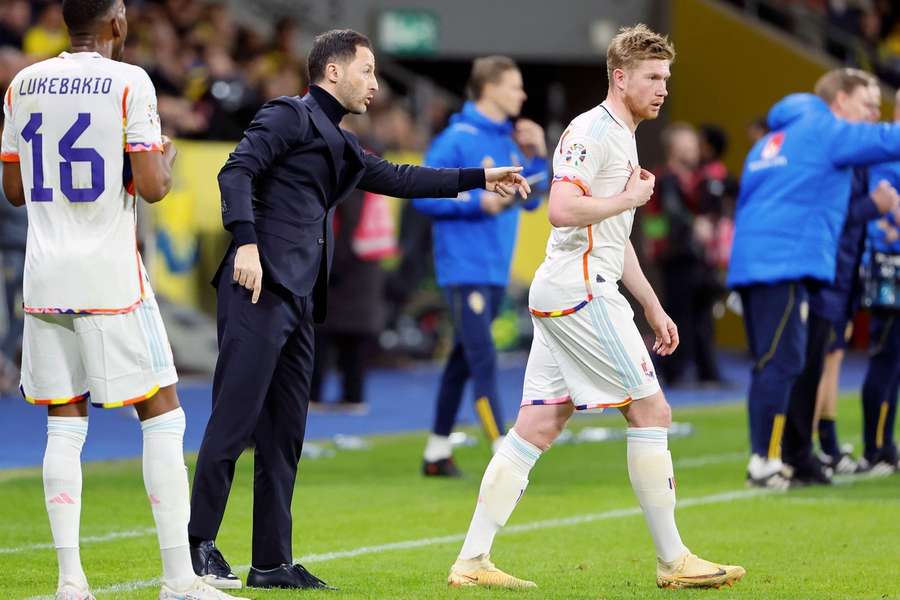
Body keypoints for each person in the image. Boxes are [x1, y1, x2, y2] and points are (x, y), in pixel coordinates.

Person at [188, 29, 531, 591]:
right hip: (257, 287)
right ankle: (198, 545)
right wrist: (245, 241)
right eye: (368, 71)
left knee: (284, 436)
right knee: (235, 420)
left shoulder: (340, 140)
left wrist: (481, 178)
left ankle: (271, 562)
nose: (376, 84)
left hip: (298, 298)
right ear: (333, 73)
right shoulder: (288, 115)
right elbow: (235, 171)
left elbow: (399, 178)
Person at [447, 24, 745, 591]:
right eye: (652, 77)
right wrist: (628, 197)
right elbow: (561, 209)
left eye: (666, 78)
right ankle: (673, 560)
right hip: (582, 291)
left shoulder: (623, 134)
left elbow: (613, 231)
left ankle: (471, 560)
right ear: (620, 76)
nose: (662, 88)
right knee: (652, 413)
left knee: (536, 424)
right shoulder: (593, 131)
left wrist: (653, 306)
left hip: (572, 288)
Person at [0, 1, 244, 599]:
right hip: (108, 273)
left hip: (46, 276)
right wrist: (162, 158)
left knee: (64, 419)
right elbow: (156, 189)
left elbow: (12, 190)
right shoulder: (130, 81)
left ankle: (69, 581)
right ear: (115, 23)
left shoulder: (23, 83)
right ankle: (179, 580)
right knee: (162, 412)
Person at [728, 68, 900, 489]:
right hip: (784, 262)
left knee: (776, 361)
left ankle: (775, 457)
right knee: (782, 362)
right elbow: (888, 141)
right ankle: (764, 462)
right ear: (839, 101)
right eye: (866, 105)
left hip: (758, 260)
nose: (872, 115)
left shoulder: (772, 141)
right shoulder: (826, 129)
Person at [413, 55, 548, 477]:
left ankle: (437, 452)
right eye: (515, 86)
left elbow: (533, 200)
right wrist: (478, 201)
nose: (522, 95)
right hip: (463, 268)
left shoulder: (511, 139)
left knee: (462, 359)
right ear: (489, 88)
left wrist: (538, 155)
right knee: (483, 357)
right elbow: (420, 193)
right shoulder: (457, 137)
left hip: (493, 268)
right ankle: (503, 453)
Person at [804, 79, 898, 475]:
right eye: (868, 104)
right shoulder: (872, 152)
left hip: (847, 269)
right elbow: (853, 211)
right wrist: (885, 225)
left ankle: (828, 442)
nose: (873, 112)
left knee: (836, 355)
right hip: (871, 266)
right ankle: (871, 447)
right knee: (876, 358)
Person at [653, 123, 725, 387]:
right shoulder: (665, 179)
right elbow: (670, 215)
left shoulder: (699, 178)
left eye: (694, 146)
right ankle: (674, 370)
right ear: (674, 149)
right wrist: (696, 225)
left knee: (702, 314)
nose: (694, 152)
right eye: (688, 147)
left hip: (696, 256)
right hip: (675, 255)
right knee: (678, 313)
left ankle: (707, 371)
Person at [858, 89, 900, 472]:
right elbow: (889, 207)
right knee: (887, 355)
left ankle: (887, 443)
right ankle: (876, 447)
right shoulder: (886, 151)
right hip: (888, 265)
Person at [0, 161, 26, 393]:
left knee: (22, 312)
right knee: (11, 314)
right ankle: (5, 364)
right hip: (11, 251)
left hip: (32, 252)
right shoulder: (4, 173)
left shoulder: (34, 168)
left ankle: (5, 363)